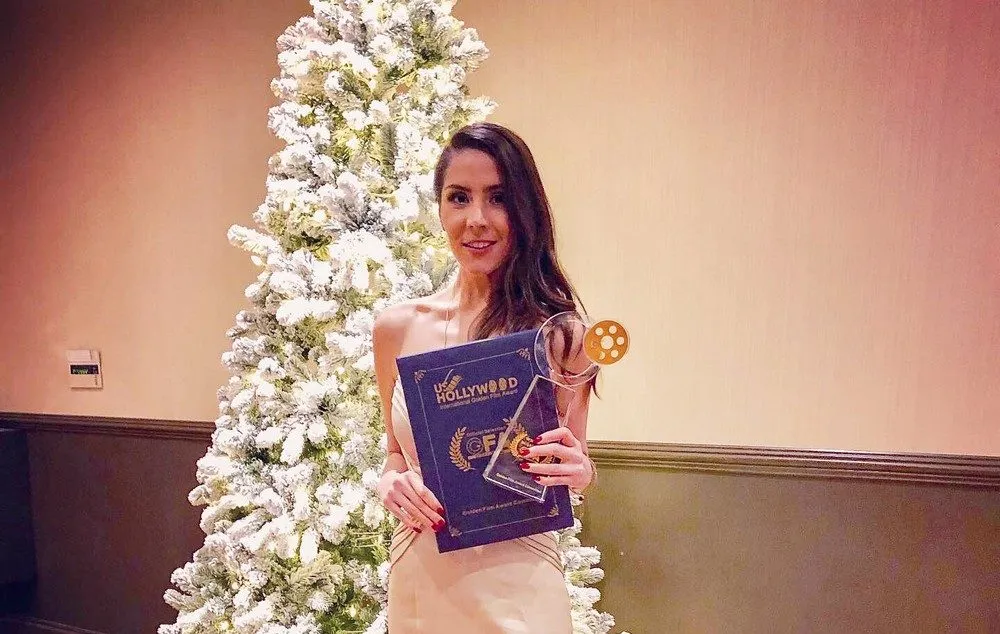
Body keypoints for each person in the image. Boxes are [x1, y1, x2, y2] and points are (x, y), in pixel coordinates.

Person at [372, 122, 595, 633]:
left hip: (521, 581)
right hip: (422, 577)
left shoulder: (561, 337)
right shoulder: (395, 329)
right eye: (459, 197)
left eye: (498, 198)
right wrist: (389, 482)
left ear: (525, 210)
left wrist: (578, 471)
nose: (477, 219)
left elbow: (578, 463)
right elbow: (395, 453)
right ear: (440, 209)